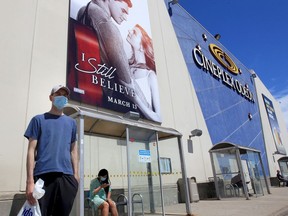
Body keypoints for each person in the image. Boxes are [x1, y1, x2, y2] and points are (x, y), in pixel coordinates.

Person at [76, 0, 152, 118]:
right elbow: (127, 80)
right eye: (123, 10)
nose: (125, 17)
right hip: (107, 100)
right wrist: (147, 107)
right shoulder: (106, 24)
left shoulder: (84, 11)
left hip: (84, 87)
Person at [24, 85, 79, 216]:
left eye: (65, 95)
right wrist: (30, 181)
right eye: (58, 94)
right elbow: (31, 151)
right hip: (43, 176)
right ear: (51, 97)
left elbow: (73, 150)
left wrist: (75, 176)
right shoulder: (38, 120)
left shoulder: (71, 123)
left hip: (67, 177)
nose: (62, 97)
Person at [126, 24, 162, 122]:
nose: (129, 31)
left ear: (142, 46)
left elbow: (158, 118)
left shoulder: (150, 75)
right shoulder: (125, 66)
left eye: (134, 32)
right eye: (131, 29)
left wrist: (136, 99)